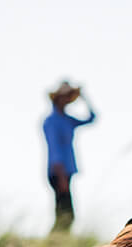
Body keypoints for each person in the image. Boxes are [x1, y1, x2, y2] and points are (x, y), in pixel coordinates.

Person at [43, 81, 96, 233]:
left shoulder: (68, 120)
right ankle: (53, 244)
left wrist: (83, 98)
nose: (67, 99)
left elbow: (92, 118)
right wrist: (61, 176)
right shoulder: (51, 121)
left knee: (65, 214)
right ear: (58, 98)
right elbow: (54, 150)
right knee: (66, 215)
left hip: (66, 172)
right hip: (58, 172)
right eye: (65, 96)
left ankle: (55, 244)